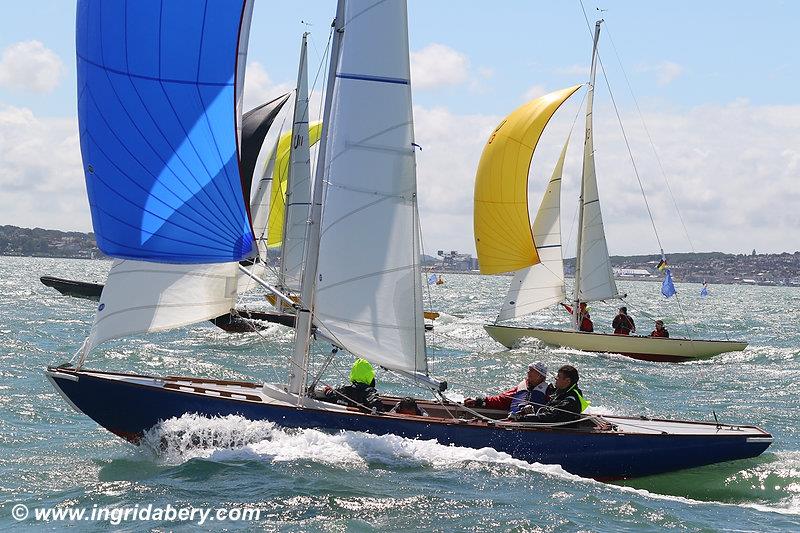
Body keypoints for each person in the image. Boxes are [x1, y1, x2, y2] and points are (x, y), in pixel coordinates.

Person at [463, 362, 554, 415]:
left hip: (535, 426)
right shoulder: (521, 387)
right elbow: (501, 399)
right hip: (515, 421)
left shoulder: (549, 392)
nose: (528, 372)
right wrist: (479, 401)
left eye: (532, 371)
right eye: (529, 370)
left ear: (540, 376)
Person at [513, 364, 589, 425]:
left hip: (561, 434)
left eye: (558, 376)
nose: (555, 378)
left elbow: (550, 417)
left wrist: (524, 418)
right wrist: (532, 411)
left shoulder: (570, 400)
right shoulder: (560, 392)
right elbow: (549, 409)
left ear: (567, 381)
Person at [316, 358, 383, 411]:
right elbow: (377, 405)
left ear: (353, 374)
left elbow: (331, 394)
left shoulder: (344, 389)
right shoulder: (369, 391)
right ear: (370, 376)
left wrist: (326, 390)